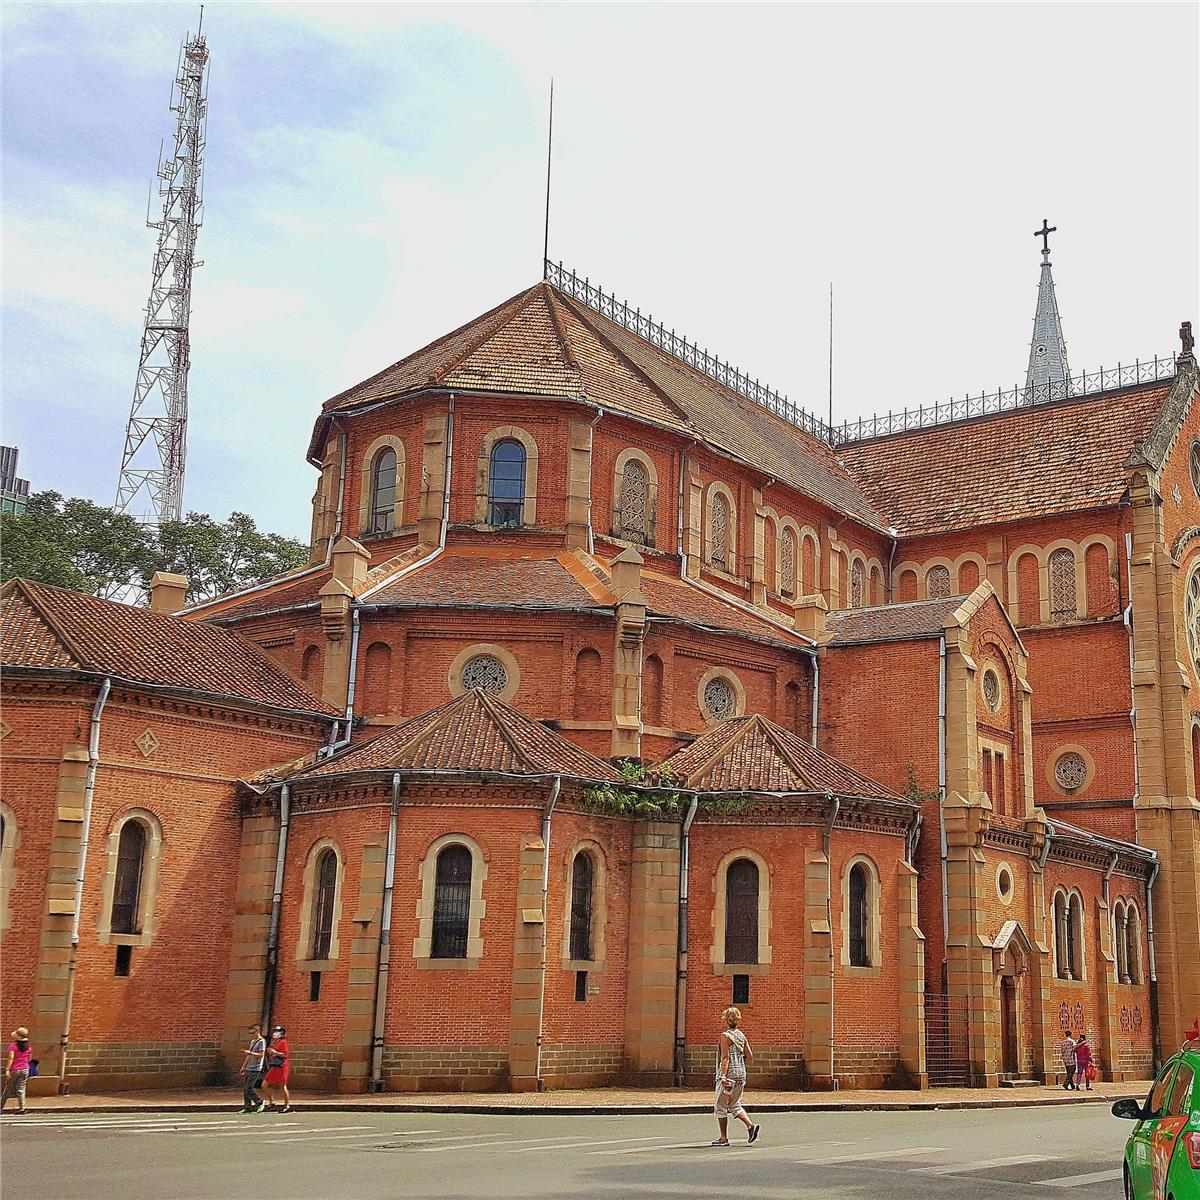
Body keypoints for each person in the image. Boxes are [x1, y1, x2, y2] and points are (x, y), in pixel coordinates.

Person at [711, 1006, 760, 1146]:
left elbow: (725, 1058)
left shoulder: (725, 1036)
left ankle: (723, 1137)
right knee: (735, 1104)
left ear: (726, 1020)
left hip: (729, 1076)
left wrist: (723, 1076)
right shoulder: (741, 1035)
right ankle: (750, 1126)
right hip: (741, 1074)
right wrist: (740, 1061)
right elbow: (750, 1056)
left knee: (720, 1106)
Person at [2, 1027, 33, 1114]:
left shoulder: (13, 1046)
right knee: (21, 1089)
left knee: (7, 1089)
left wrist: (7, 1069)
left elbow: (11, 1057)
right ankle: (22, 1108)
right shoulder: (28, 1047)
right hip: (25, 1069)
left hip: (15, 1069)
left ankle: (1, 1107)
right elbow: (29, 1059)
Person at [239, 1023, 267, 1113]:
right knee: (245, 1088)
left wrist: (250, 1053)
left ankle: (259, 1102)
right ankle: (247, 1107)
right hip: (249, 1067)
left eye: (252, 1033)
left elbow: (261, 1054)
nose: (251, 1035)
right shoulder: (252, 1042)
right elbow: (248, 1056)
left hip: (256, 1068)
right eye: (250, 1033)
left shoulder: (262, 1041)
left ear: (257, 1031)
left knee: (249, 1087)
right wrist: (244, 1066)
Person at [263, 1025, 290, 1113]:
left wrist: (275, 1052)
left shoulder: (283, 1042)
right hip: (275, 1066)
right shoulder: (277, 1042)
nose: (275, 1033)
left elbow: (285, 1055)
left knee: (282, 1086)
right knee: (264, 1084)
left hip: (281, 1066)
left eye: (277, 1031)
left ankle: (286, 1105)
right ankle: (271, 1102)